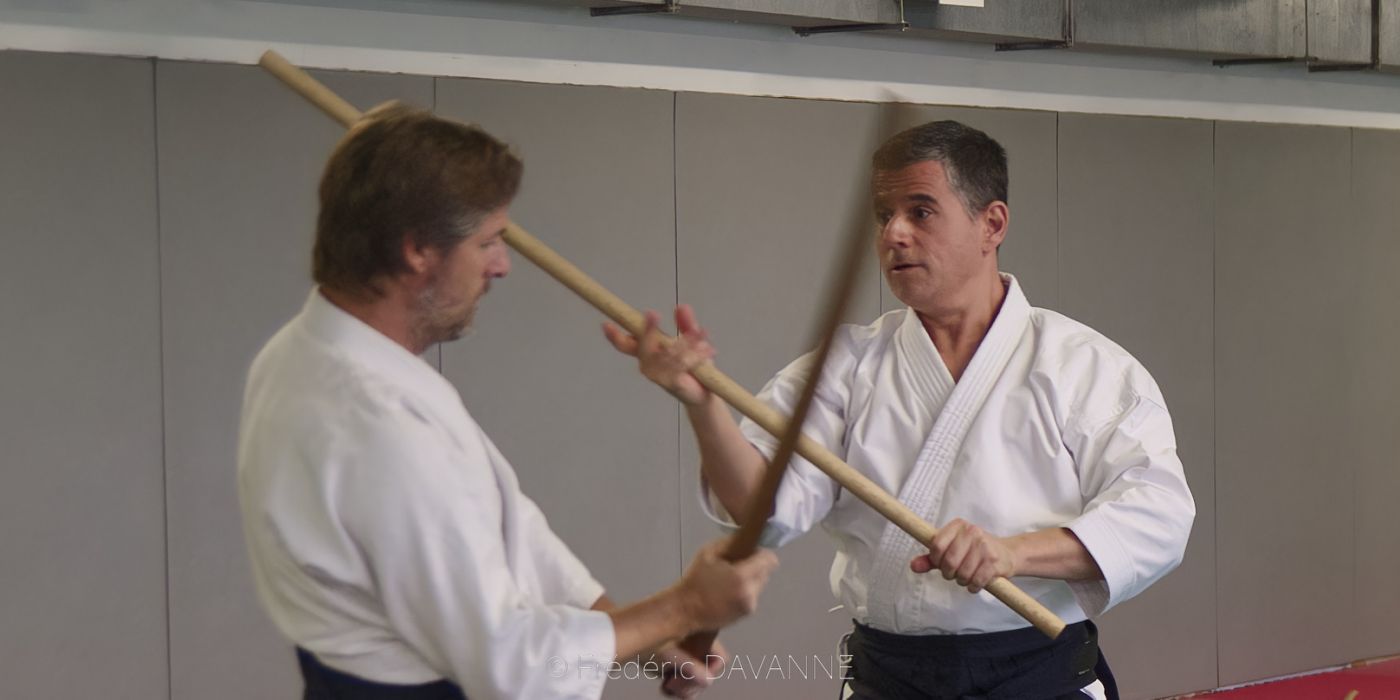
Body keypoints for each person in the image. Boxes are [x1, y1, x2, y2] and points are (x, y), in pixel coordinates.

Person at [603, 120, 1195, 700]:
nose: (894, 234)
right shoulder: (846, 366)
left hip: (1038, 675)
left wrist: (1012, 552)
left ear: (991, 224)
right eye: (884, 215)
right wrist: (703, 406)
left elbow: (1159, 516)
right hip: (890, 677)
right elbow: (758, 506)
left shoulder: (1082, 366)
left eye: (921, 211)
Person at [237, 102, 777, 700]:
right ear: (418, 250)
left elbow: (509, 529)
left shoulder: (311, 350)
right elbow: (511, 665)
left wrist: (644, 635)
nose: (502, 266)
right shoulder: (374, 422)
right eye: (489, 241)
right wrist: (684, 607)